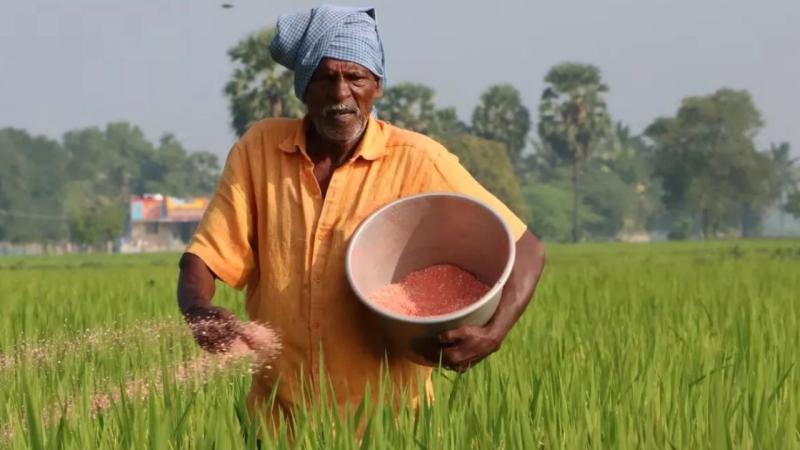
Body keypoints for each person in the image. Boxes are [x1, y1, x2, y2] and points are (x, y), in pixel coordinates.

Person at [177, 4, 545, 427]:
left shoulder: (417, 159)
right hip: (279, 422)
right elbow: (204, 256)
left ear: (378, 86)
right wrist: (197, 309)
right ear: (303, 87)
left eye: (356, 77)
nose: (340, 94)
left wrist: (493, 334)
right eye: (324, 78)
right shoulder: (259, 149)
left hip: (388, 425)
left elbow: (527, 248)